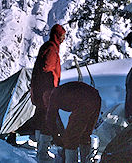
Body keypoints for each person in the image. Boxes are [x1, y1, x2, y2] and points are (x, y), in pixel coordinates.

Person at [30, 23, 66, 161]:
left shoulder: (48, 46)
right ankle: (43, 154)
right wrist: (50, 90)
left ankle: (40, 150)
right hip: (47, 93)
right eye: (62, 36)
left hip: (41, 92)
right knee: (48, 121)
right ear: (57, 36)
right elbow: (47, 69)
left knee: (41, 119)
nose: (63, 39)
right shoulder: (51, 49)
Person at [46, 81, 101, 163]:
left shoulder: (53, 96)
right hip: (96, 97)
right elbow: (55, 120)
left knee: (71, 137)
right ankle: (86, 160)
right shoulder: (59, 91)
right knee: (85, 134)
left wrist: (58, 140)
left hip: (85, 101)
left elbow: (50, 120)